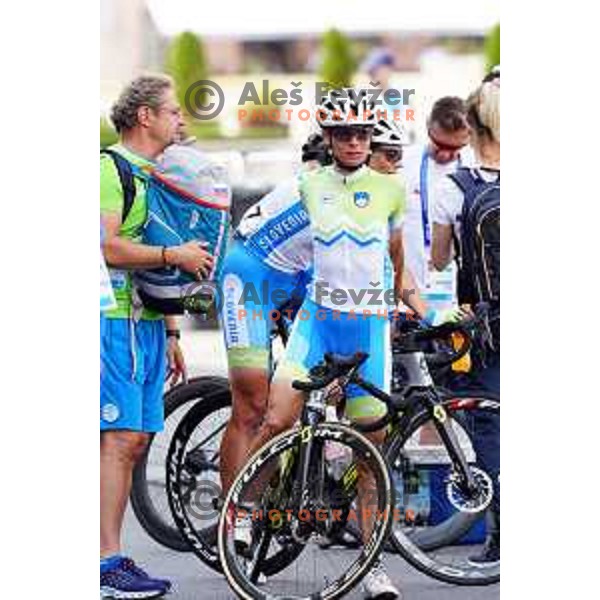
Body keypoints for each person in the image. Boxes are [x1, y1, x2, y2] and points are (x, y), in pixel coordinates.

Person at [240, 90, 427, 600]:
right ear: (327, 137)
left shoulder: (392, 189)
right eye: (343, 133)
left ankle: (371, 567)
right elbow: (283, 248)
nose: (353, 141)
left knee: (370, 449)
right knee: (276, 419)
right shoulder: (307, 184)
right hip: (317, 323)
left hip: (367, 328)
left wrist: (403, 306)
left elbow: (395, 255)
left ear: (371, 138)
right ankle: (244, 512)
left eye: (362, 133)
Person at [100, 74, 213, 599]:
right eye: (172, 111)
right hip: (112, 321)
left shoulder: (155, 175)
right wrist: (175, 256)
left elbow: (160, 266)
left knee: (137, 439)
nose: (181, 120)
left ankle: (111, 561)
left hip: (145, 325)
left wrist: (171, 330)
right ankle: (105, 565)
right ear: (144, 116)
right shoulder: (109, 169)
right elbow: (107, 247)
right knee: (119, 441)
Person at [218, 133, 330, 495]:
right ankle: (233, 518)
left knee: (329, 378)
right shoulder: (319, 191)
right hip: (250, 277)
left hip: (298, 277)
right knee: (253, 406)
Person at [431, 68, 500, 566]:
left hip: (485, 326)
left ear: (471, 131)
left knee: (489, 429)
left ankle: (501, 536)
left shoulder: (453, 187)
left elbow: (437, 259)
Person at [401, 97, 474, 312]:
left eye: (455, 147)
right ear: (427, 126)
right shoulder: (401, 163)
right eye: (439, 144)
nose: (445, 154)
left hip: (460, 301)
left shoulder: (475, 168)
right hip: (408, 300)